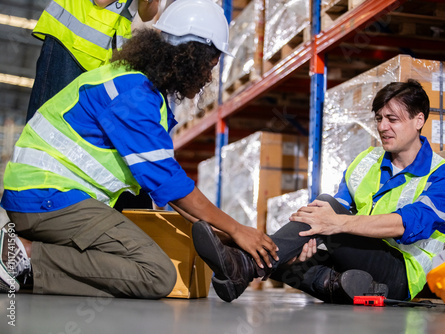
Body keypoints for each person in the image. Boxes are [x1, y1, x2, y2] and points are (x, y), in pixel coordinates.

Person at [0, 0, 278, 298]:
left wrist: (227, 236)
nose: (208, 78)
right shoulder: (133, 95)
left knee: (133, 260)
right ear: (189, 57)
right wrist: (237, 229)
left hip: (47, 197)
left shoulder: (132, 83)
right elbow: (169, 184)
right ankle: (22, 256)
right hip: (47, 200)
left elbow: (166, 188)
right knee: (155, 273)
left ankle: (28, 258)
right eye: (208, 66)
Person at [191, 79, 445, 303]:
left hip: (401, 275)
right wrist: (315, 236)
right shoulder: (367, 161)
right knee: (289, 258)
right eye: (379, 118)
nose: (382, 127)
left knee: (320, 213)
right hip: (361, 260)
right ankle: (338, 285)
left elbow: (409, 224)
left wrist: (334, 223)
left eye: (392, 119)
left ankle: (247, 264)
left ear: (419, 120)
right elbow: (336, 210)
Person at [26, 0, 160, 123]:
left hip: (105, 53)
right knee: (48, 120)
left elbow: (147, 14)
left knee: (73, 127)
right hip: (70, 42)